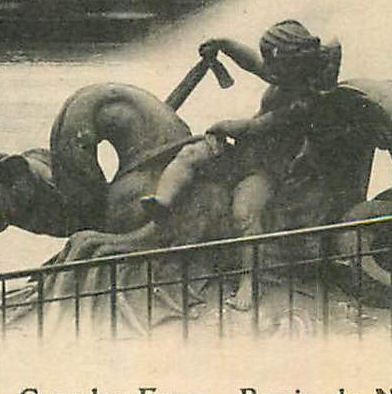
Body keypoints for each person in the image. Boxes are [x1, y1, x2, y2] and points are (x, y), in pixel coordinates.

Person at [140, 20, 341, 239]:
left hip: (267, 172)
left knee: (244, 212)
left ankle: (252, 270)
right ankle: (162, 201)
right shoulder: (282, 78)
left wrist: (225, 126)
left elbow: (258, 127)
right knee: (190, 154)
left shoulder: (303, 103)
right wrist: (224, 45)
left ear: (293, 64)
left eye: (273, 63)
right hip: (243, 155)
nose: (267, 68)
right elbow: (252, 63)